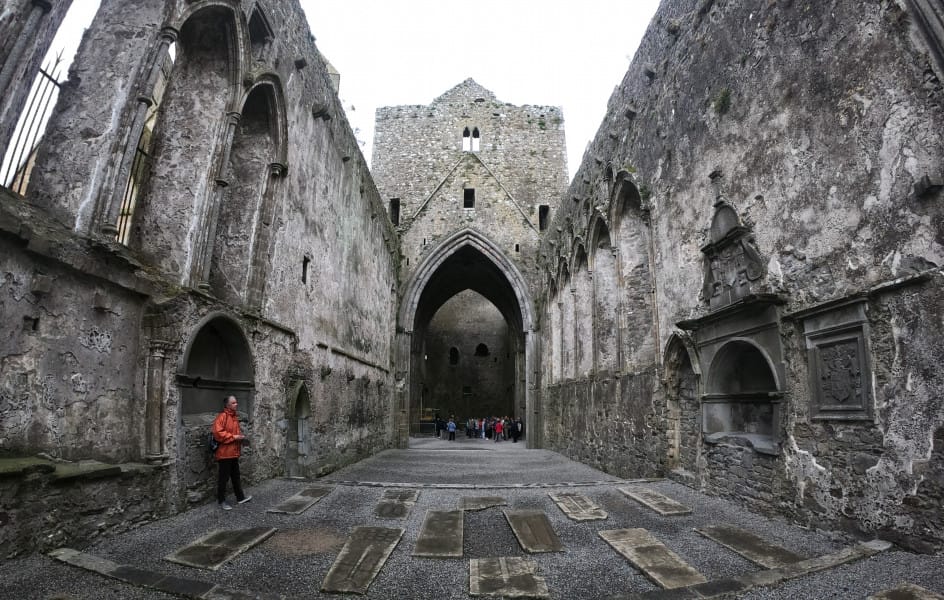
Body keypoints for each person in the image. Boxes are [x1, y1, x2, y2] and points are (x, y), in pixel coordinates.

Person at [213, 395, 252, 510]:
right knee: (223, 478)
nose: (236, 404)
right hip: (225, 454)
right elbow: (218, 433)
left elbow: (232, 434)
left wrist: (241, 439)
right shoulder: (222, 417)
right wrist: (234, 437)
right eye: (234, 403)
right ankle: (221, 501)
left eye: (236, 402)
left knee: (236, 476)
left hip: (233, 452)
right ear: (228, 405)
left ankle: (240, 497)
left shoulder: (234, 417)